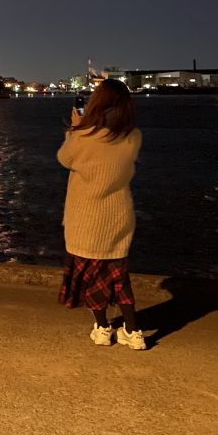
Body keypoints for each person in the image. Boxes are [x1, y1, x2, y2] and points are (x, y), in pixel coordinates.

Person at [57, 79, 146, 350]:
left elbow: (64, 158)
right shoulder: (133, 137)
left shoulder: (84, 136)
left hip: (86, 218)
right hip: (118, 217)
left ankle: (103, 328)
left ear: (98, 103)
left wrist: (75, 128)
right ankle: (133, 332)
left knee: (93, 279)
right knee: (119, 277)